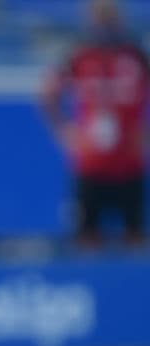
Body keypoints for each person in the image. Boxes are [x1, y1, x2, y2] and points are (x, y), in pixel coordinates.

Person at [40, 0, 150, 247]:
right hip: (90, 164)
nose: (104, 25)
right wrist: (65, 132)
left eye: (109, 18)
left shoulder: (137, 56)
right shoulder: (78, 56)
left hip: (130, 163)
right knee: (87, 240)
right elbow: (47, 94)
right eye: (99, 19)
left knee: (135, 241)